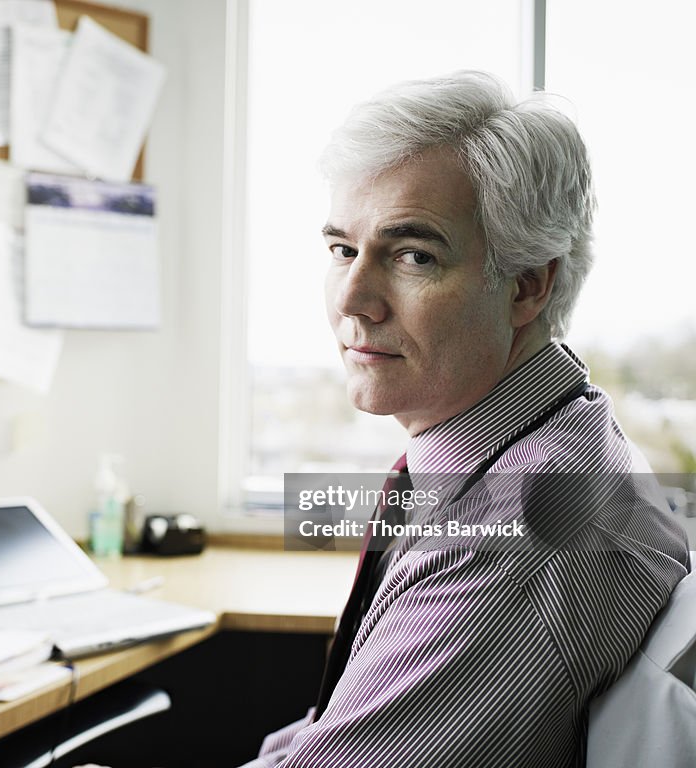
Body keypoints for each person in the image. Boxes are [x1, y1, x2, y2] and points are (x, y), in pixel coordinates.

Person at [245, 71, 690, 767]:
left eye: (414, 255)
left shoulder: (515, 535)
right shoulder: (548, 441)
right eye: (342, 250)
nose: (354, 301)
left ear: (527, 284)